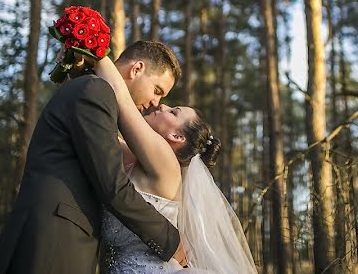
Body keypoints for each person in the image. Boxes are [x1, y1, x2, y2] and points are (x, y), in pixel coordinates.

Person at [0, 41, 188, 273]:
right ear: (137, 69)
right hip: (53, 239)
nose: (156, 103)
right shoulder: (96, 91)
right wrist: (171, 240)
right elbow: (112, 185)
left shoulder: (93, 90)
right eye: (157, 90)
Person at [91, 54, 258, 273]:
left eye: (173, 112)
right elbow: (105, 136)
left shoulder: (166, 161)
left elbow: (121, 97)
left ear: (177, 138)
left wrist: (95, 51)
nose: (162, 106)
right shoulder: (144, 161)